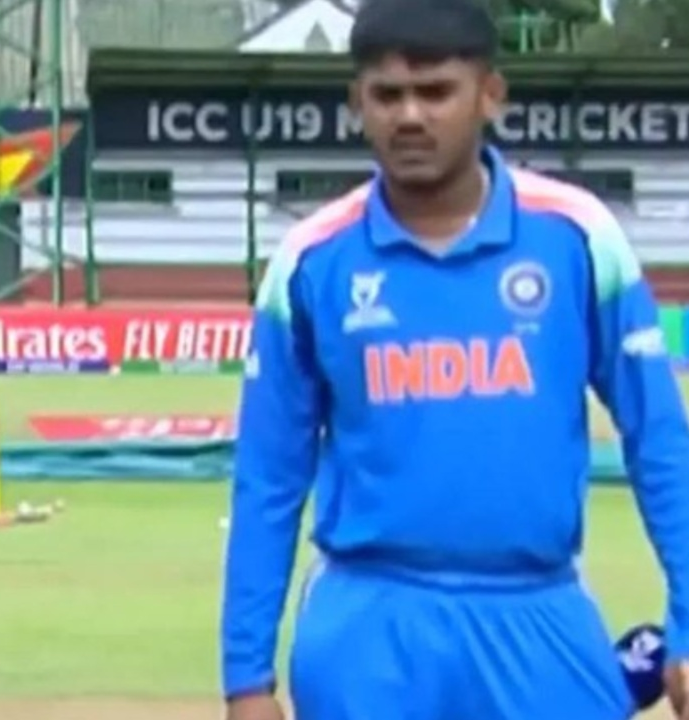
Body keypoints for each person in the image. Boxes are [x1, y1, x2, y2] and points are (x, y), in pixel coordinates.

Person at [218, 0, 689, 718]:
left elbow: (659, 442)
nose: (410, 116)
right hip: (367, 626)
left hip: (536, 614)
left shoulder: (578, 236)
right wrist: (245, 678)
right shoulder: (312, 260)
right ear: (357, 104)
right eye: (388, 94)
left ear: (490, 95)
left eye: (436, 91)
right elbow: (269, 477)